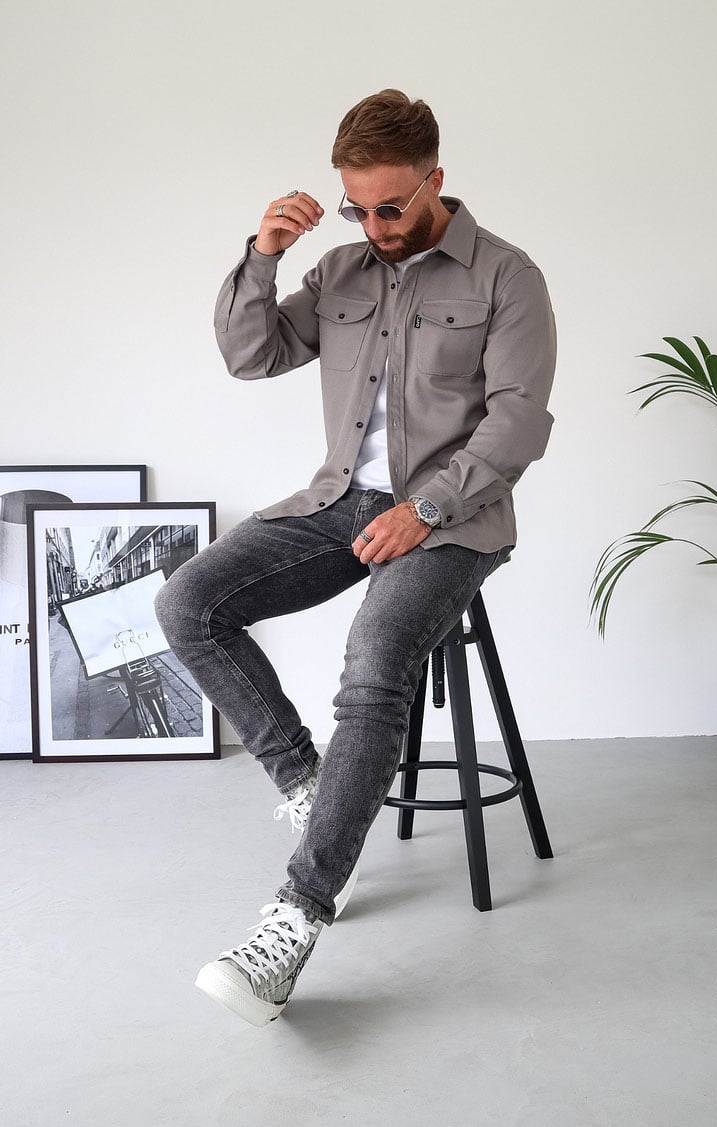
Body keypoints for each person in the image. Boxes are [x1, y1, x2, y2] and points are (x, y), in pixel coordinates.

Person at [155, 89, 556, 1028]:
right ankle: (311, 784)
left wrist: (427, 508)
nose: (375, 227)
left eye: (391, 207)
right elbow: (250, 356)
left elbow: (519, 422)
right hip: (339, 503)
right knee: (188, 604)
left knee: (374, 663)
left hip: (454, 518)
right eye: (357, 208)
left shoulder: (507, 276)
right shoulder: (339, 268)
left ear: (435, 180)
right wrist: (263, 255)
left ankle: (296, 916)